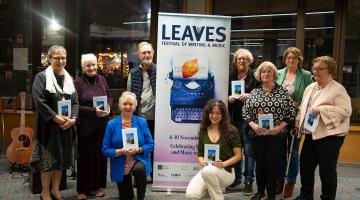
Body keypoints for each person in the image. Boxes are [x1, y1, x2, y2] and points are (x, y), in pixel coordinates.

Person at [294, 56, 352, 200]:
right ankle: (306, 195)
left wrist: (321, 109)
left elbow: (346, 111)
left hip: (330, 137)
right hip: (310, 134)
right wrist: (297, 125)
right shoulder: (310, 87)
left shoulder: (338, 89)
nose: (316, 72)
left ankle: (327, 198)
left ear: (330, 70)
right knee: (306, 167)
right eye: (314, 69)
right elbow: (303, 108)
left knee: (327, 170)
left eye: (320, 69)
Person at [30, 45, 79, 200]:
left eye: (63, 57)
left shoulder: (69, 78)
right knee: (48, 161)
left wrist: (73, 120)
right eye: (57, 57)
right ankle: (45, 192)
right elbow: (39, 101)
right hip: (48, 127)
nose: (61, 61)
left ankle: (56, 190)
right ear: (49, 59)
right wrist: (55, 117)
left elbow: (76, 102)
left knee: (61, 161)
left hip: (65, 127)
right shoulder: (41, 77)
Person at [242, 61, 296, 200]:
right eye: (263, 72)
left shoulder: (283, 92)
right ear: (259, 75)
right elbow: (245, 112)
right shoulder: (254, 92)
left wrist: (279, 127)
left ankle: (271, 194)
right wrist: (253, 125)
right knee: (260, 164)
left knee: (272, 165)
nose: (266, 74)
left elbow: (291, 113)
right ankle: (260, 192)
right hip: (257, 134)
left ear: (274, 74)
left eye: (269, 71)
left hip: (276, 136)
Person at [275, 47, 313, 197]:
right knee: (279, 152)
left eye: (294, 58)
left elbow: (310, 96)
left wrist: (299, 105)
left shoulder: (305, 75)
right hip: (279, 118)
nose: (291, 61)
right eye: (288, 58)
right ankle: (280, 179)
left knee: (293, 151)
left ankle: (290, 182)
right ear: (285, 59)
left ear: (299, 60)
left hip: (296, 119)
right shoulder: (278, 73)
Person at [102, 91, 154, 200]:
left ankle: (141, 196)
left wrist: (139, 149)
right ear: (120, 106)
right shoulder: (111, 124)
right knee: (126, 197)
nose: (128, 106)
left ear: (135, 106)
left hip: (138, 158)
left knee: (139, 170)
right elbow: (105, 149)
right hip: (120, 161)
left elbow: (151, 144)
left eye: (131, 104)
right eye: (125, 104)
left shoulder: (142, 122)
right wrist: (120, 151)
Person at [186, 99, 242, 200]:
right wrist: (202, 162)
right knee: (192, 195)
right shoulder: (203, 130)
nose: (214, 116)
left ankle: (217, 198)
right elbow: (200, 154)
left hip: (226, 172)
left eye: (218, 113)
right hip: (207, 170)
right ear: (207, 114)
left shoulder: (231, 130)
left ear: (223, 115)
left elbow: (238, 155)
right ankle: (214, 192)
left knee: (208, 171)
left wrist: (223, 164)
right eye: (211, 113)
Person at [74, 54, 113, 200]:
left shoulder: (102, 79)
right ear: (83, 67)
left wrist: (108, 105)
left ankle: (96, 187)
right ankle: (83, 190)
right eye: (88, 65)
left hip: (101, 125)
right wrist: (93, 111)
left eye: (93, 65)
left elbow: (109, 96)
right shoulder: (78, 82)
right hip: (86, 126)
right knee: (85, 158)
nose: (91, 68)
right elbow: (75, 105)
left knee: (99, 157)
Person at [227, 48, 258, 195]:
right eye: (239, 58)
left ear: (249, 61)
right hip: (234, 120)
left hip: (250, 120)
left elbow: (261, 96)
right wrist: (228, 98)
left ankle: (249, 180)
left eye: (244, 59)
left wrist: (250, 96)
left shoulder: (256, 77)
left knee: (250, 152)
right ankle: (237, 178)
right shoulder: (230, 75)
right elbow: (223, 93)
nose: (241, 61)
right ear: (235, 61)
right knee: (237, 150)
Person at [127, 41, 156, 136]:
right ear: (139, 56)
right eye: (144, 53)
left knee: (155, 147)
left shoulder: (160, 71)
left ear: (153, 53)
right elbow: (128, 96)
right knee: (140, 146)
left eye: (149, 52)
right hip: (138, 118)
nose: (147, 55)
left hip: (156, 119)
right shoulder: (133, 73)